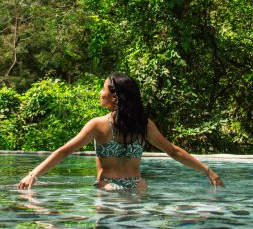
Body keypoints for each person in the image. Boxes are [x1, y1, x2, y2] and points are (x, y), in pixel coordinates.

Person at [17, 72, 224, 190]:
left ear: (114, 97)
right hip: (139, 187)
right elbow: (173, 151)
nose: (100, 92)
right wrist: (208, 171)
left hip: (108, 189)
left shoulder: (98, 125)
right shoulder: (144, 124)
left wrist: (33, 175)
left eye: (103, 88)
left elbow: (64, 151)